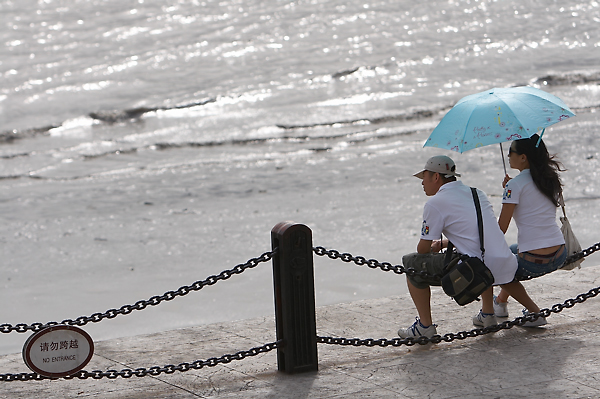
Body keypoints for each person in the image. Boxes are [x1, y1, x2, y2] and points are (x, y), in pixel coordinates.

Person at [398, 155, 518, 338]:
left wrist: (435, 246)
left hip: (472, 267)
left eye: (424, 178)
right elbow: (479, 232)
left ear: (436, 177)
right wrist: (446, 243)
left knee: (411, 263)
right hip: (497, 258)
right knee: (478, 252)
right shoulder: (477, 192)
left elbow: (422, 250)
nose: (422, 183)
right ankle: (488, 314)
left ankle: (424, 326)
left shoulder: (434, 203)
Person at [489, 134, 567, 325]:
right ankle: (500, 302)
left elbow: (501, 228)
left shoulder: (514, 185)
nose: (508, 157)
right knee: (512, 249)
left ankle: (535, 314)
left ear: (523, 157)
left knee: (495, 266)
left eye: (511, 152)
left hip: (535, 261)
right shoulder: (550, 179)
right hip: (559, 252)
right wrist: (510, 188)